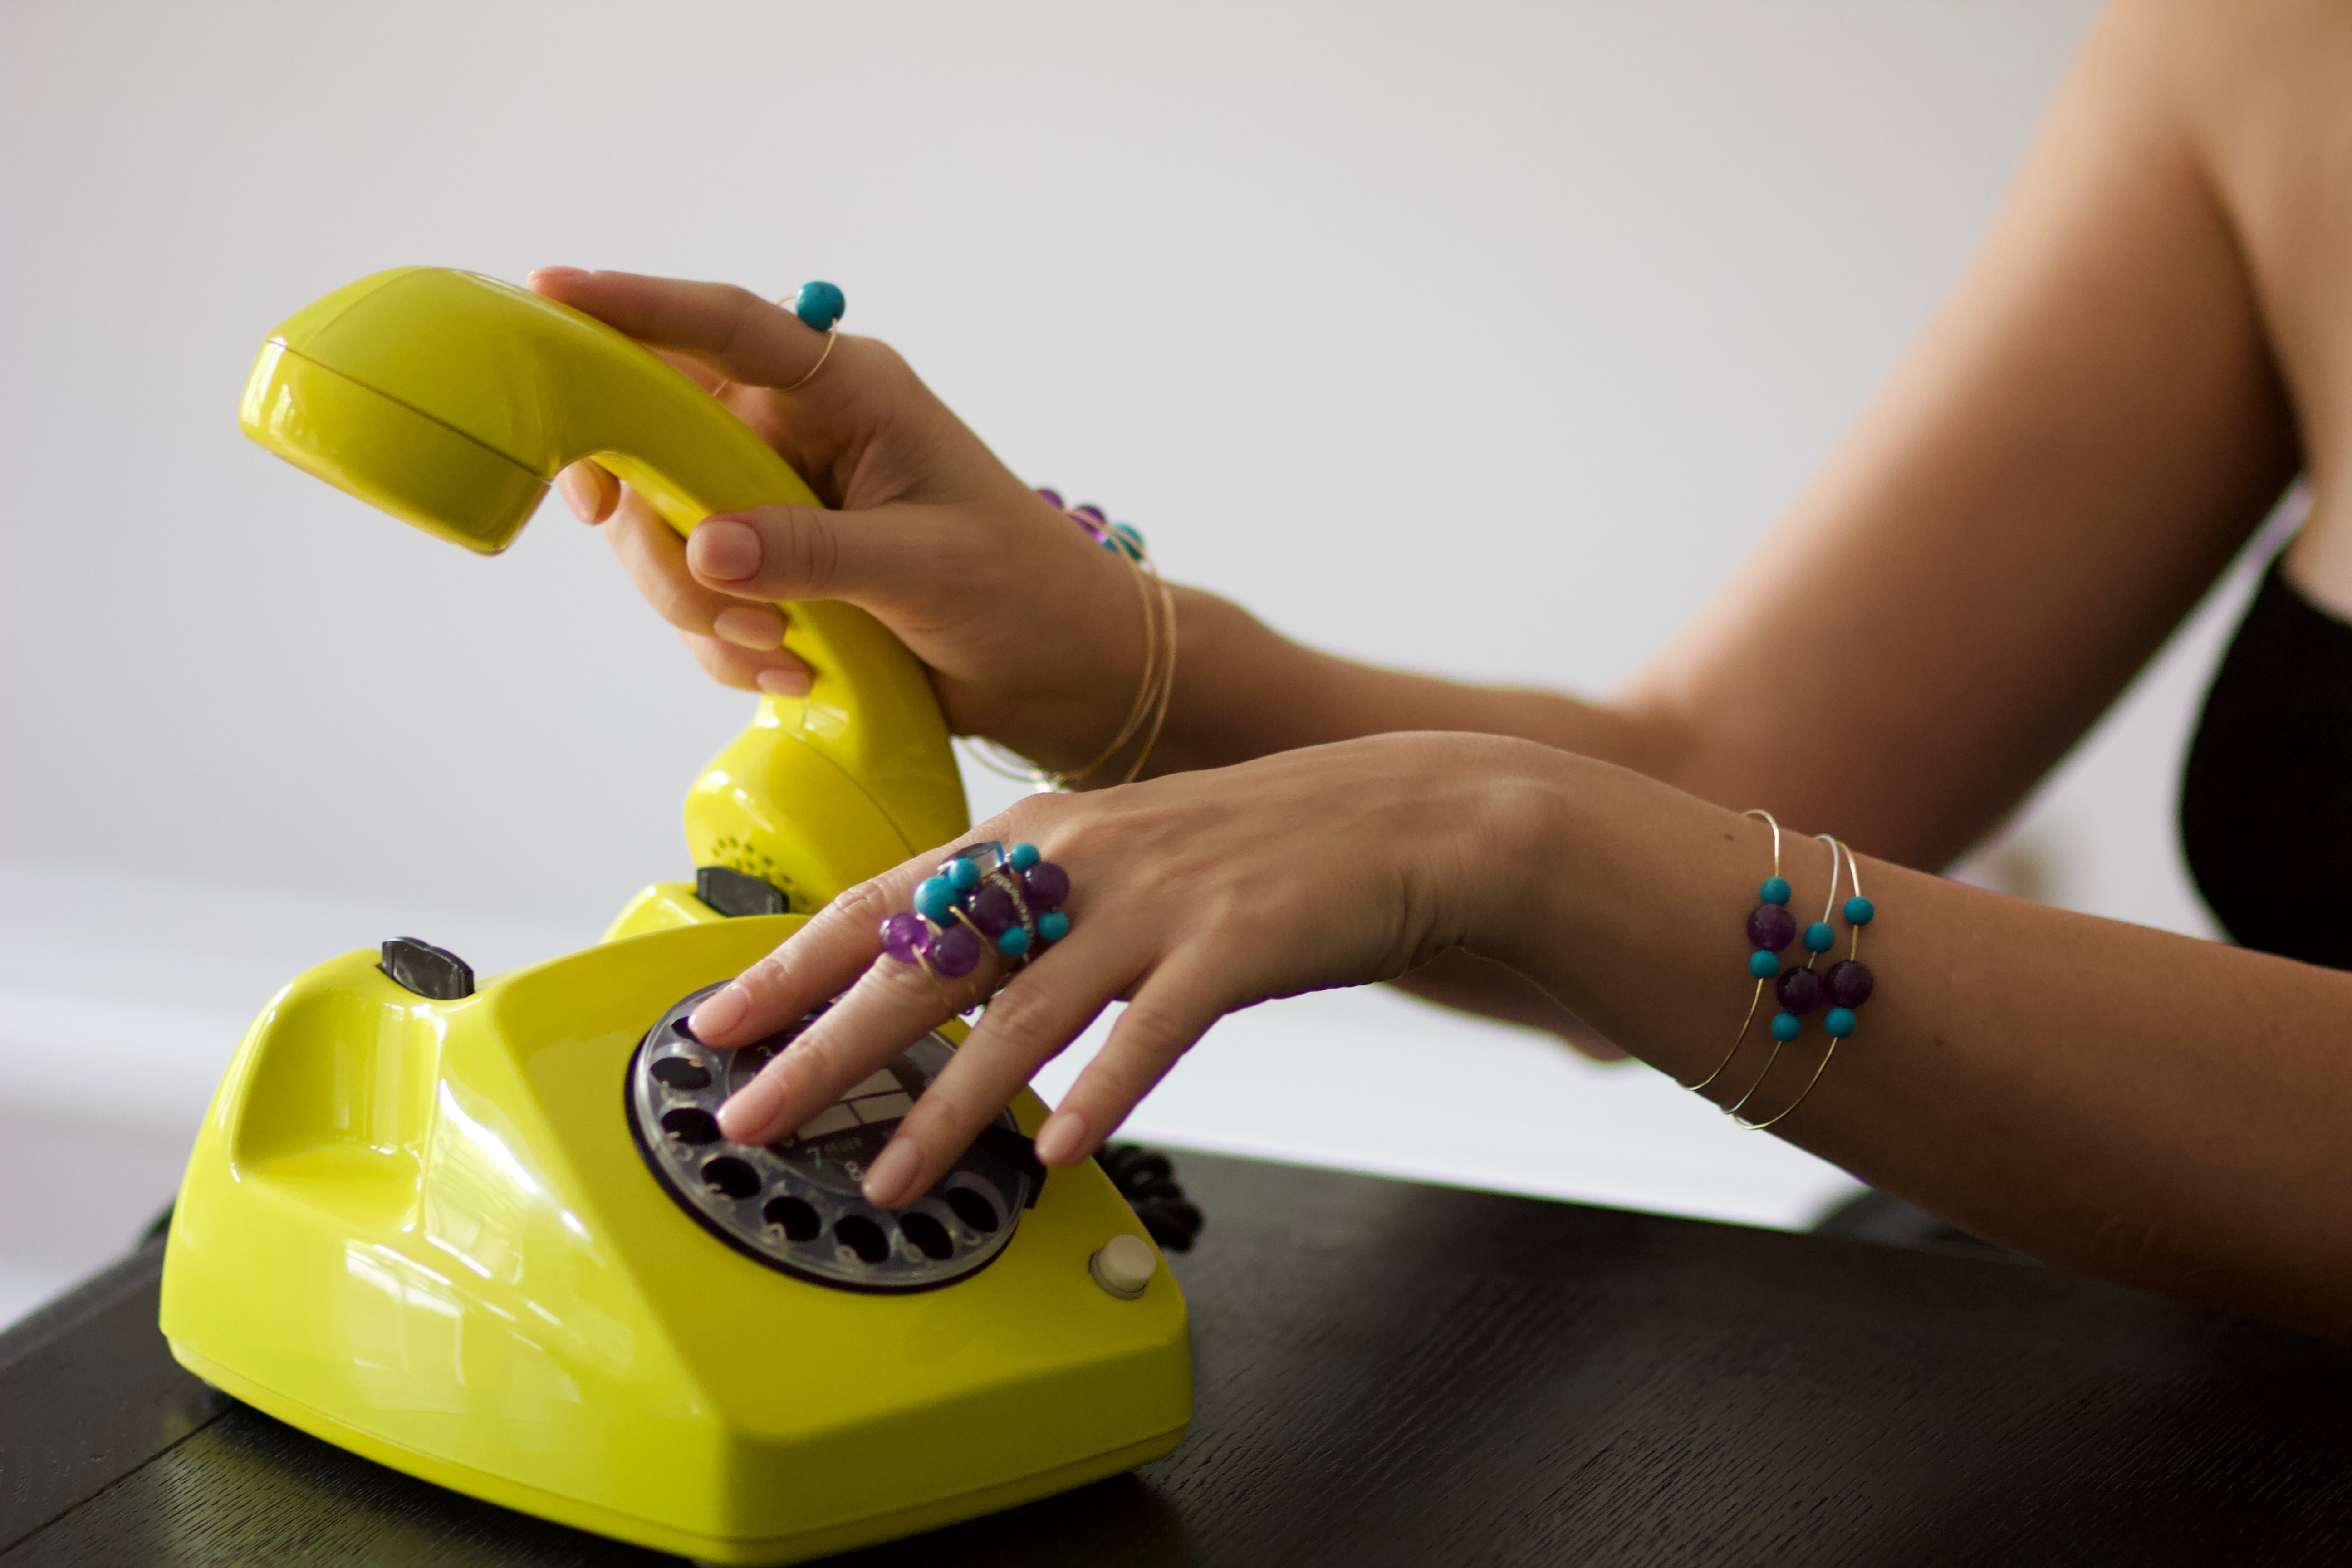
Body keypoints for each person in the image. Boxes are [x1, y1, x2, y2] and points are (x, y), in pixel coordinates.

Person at [528, 0, 2352, 1338]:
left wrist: (1516, 836)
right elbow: (1747, 785)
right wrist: (1114, 664)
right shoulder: (2256, 47)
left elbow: (1640, 857)